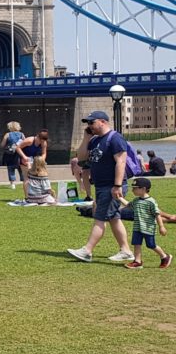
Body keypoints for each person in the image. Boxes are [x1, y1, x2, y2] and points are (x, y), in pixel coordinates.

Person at [67, 110, 135, 263]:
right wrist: (85, 138)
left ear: (103, 122)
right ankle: (125, 250)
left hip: (112, 185)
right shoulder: (94, 140)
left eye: (92, 122)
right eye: (87, 123)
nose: (89, 125)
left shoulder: (115, 138)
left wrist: (117, 185)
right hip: (101, 185)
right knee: (114, 218)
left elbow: (121, 162)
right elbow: (82, 158)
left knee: (99, 217)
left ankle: (87, 251)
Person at [118, 178, 171, 269]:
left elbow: (157, 214)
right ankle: (137, 261)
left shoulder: (151, 202)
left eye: (135, 188)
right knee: (136, 243)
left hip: (148, 228)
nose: (133, 190)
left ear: (143, 189)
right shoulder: (136, 200)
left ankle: (165, 256)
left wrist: (161, 226)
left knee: (151, 245)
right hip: (137, 228)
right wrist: (120, 198)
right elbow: (128, 205)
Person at [0, 121, 27, 189]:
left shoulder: (7, 134)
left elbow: (2, 144)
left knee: (11, 169)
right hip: (19, 154)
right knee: (21, 168)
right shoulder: (21, 134)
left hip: (10, 154)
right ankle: (24, 182)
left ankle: (12, 184)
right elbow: (25, 143)